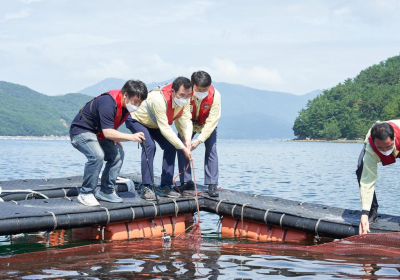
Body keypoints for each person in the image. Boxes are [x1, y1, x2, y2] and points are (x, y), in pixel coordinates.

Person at [70, 80, 147, 207]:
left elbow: (110, 128)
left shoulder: (125, 106)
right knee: (97, 156)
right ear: (126, 95)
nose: (137, 105)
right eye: (136, 101)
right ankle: (85, 193)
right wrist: (131, 137)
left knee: (118, 154)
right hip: (81, 131)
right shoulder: (108, 103)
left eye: (140, 103)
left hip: (98, 134)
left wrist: (116, 137)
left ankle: (106, 191)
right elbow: (108, 132)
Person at [125, 76, 193, 200]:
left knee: (171, 146)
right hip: (137, 120)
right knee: (150, 145)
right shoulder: (158, 99)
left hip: (154, 124)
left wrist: (187, 139)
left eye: (188, 95)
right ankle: (146, 186)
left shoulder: (187, 98)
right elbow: (165, 129)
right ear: (173, 91)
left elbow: (186, 119)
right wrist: (183, 148)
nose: (185, 98)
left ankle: (165, 185)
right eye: (182, 95)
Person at [177, 71, 221, 197]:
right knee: (182, 147)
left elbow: (213, 120)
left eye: (205, 89)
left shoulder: (215, 96)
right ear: (192, 85)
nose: (202, 92)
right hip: (187, 123)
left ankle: (212, 184)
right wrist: (186, 138)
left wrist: (199, 139)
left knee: (211, 149)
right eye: (199, 89)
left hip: (206, 124)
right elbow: (180, 117)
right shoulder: (184, 93)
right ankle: (186, 181)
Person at [357, 120, 400, 234]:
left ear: (394, 137)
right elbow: (368, 180)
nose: (386, 151)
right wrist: (364, 213)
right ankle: (372, 211)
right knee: (361, 170)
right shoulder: (371, 147)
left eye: (388, 146)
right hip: (373, 146)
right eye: (381, 148)